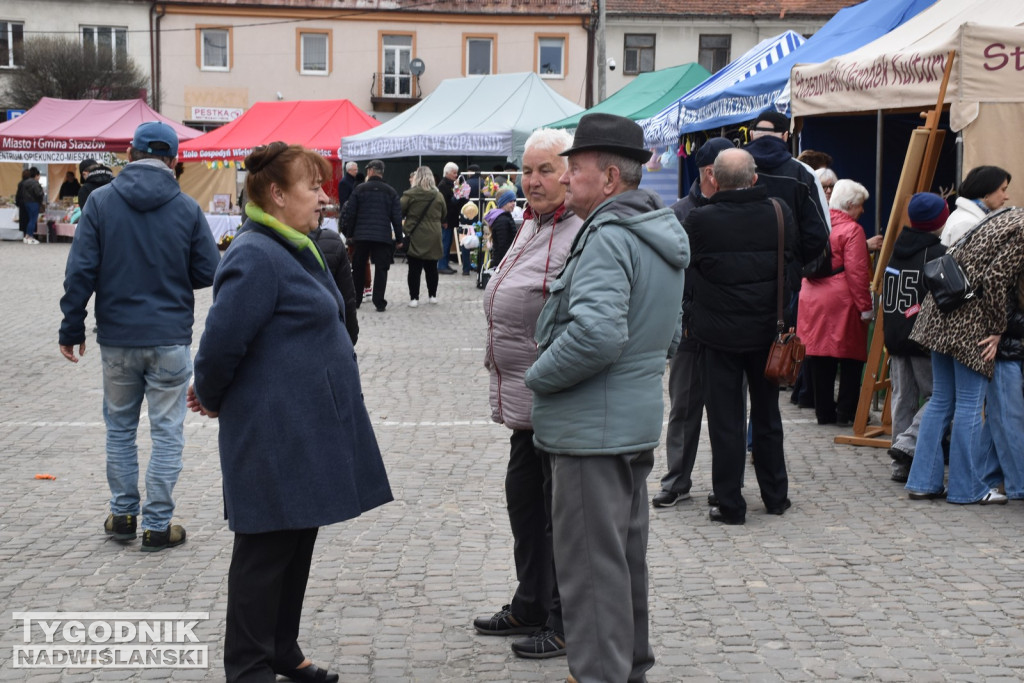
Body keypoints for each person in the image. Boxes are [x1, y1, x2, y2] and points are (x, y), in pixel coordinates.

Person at [188, 142, 393, 683]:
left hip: (304, 426)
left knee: (296, 540)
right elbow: (219, 343)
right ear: (277, 194)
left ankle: (281, 647)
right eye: (312, 187)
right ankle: (249, 666)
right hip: (274, 431)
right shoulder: (256, 253)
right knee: (264, 555)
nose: (324, 197)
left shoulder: (294, 244)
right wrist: (207, 393)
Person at [523, 113, 688, 683]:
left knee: (591, 571)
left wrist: (538, 376)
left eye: (576, 168)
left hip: (593, 429)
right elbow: (668, 333)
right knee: (620, 561)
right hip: (625, 421)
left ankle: (599, 673)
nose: (566, 179)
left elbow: (596, 334)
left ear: (611, 177)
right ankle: (627, 667)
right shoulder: (651, 230)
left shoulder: (608, 237)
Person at [58, 121, 220, 551]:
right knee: (167, 431)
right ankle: (157, 525)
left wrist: (71, 326)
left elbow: (81, 270)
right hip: (169, 337)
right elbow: (209, 271)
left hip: (117, 337)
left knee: (120, 428)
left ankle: (124, 514)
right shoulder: (186, 208)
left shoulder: (101, 202)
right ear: (173, 160)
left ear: (129, 154)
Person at [475, 128, 582, 661]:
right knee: (525, 506)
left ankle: (564, 620)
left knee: (557, 515)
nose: (532, 180)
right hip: (524, 404)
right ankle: (531, 601)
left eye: (544, 170)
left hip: (555, 399)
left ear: (570, 174)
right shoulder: (531, 223)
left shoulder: (579, 229)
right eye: (527, 170)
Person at [684, 148, 797, 525]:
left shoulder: (700, 220)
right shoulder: (779, 212)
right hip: (768, 332)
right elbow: (792, 267)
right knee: (767, 416)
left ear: (713, 179)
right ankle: (776, 495)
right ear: (754, 178)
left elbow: (689, 271)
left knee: (725, 421)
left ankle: (730, 503)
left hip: (718, 336)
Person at [905, 206, 1024, 505]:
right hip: (969, 319)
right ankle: (967, 488)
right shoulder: (1022, 229)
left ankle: (922, 481)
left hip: (941, 310)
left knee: (942, 400)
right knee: (970, 404)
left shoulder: (1007, 216)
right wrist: (997, 328)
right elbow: (997, 277)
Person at [652, 136, 734, 508]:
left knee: (729, 409)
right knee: (684, 407)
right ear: (709, 173)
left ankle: (727, 484)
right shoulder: (679, 214)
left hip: (732, 327)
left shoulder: (743, 211)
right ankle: (676, 480)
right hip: (690, 325)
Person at [882, 192, 948, 482]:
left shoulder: (896, 248)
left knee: (903, 399)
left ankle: (901, 466)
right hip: (923, 337)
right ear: (940, 221)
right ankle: (907, 444)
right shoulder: (937, 253)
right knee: (939, 396)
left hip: (896, 334)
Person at [797, 179, 873, 426]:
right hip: (841, 299)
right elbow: (858, 273)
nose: (862, 210)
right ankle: (845, 413)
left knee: (819, 357)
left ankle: (824, 412)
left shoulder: (815, 222)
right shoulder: (853, 231)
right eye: (860, 205)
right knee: (850, 357)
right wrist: (865, 307)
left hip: (811, 295)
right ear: (850, 205)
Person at [340, 159, 404, 312]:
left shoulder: (359, 190)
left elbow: (351, 214)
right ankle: (379, 301)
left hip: (361, 235)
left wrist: (349, 235)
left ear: (370, 171)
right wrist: (400, 239)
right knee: (382, 269)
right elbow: (396, 217)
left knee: (358, 267)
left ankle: (356, 300)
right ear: (381, 172)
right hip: (382, 236)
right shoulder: (391, 191)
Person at [309, 218, 359, 346]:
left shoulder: (269, 242)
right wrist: (351, 335)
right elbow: (347, 296)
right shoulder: (334, 241)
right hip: (328, 334)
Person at [401, 166, 445, 307]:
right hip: (433, 233)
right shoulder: (438, 195)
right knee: (432, 267)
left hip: (415, 234)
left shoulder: (410, 194)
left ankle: (414, 298)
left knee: (414, 268)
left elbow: (399, 211)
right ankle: (432, 295)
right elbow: (444, 214)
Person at [942, 165, 1011, 247]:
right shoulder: (968, 223)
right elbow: (961, 259)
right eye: (1003, 190)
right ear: (987, 191)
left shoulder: (969, 217)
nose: (1007, 197)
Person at [437, 161, 460, 274]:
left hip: (450, 219)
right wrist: (443, 220)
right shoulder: (443, 185)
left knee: (448, 242)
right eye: (454, 173)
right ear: (447, 173)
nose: (456, 175)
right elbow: (442, 205)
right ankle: (441, 265)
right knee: (444, 243)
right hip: (446, 220)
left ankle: (444, 263)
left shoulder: (450, 184)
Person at [487, 189, 518, 267]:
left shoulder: (505, 217)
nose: (514, 204)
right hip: (503, 262)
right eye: (510, 201)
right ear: (503, 202)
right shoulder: (502, 220)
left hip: (503, 261)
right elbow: (503, 245)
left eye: (514, 201)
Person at [20, 167, 44, 244]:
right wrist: (42, 191)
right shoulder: (35, 183)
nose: (39, 177)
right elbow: (39, 194)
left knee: (30, 219)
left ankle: (26, 236)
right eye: (39, 175)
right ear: (36, 175)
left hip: (26, 202)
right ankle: (30, 236)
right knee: (33, 220)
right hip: (34, 202)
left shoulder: (25, 182)